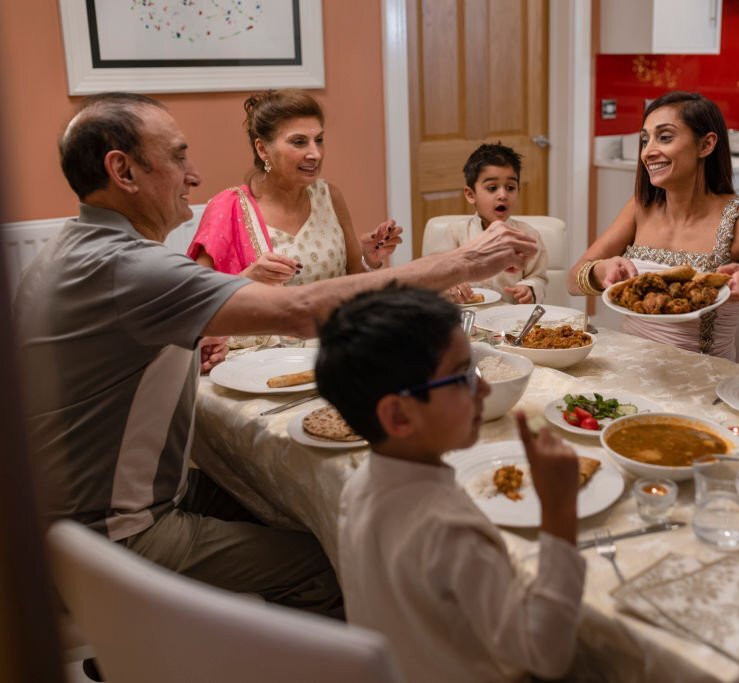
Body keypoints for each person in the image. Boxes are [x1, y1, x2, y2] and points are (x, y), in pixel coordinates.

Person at [15, 93, 537, 614]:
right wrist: (462, 261)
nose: (193, 175)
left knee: (288, 500)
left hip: (76, 515)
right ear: (122, 170)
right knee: (338, 555)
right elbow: (301, 308)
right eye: (177, 156)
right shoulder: (126, 268)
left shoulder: (73, 248)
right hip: (117, 535)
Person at [316, 286, 585, 682]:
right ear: (399, 416)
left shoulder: (358, 483)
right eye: (462, 376)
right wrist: (559, 510)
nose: (485, 388)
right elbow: (544, 653)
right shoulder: (449, 530)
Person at [568, 91, 739, 359]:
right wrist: (599, 271)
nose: (648, 152)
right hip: (631, 366)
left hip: (704, 381)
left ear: (706, 145)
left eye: (664, 137)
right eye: (645, 140)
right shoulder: (640, 207)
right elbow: (573, 280)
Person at [187, 89, 403, 285]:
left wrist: (370, 259)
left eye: (318, 140)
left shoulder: (329, 197)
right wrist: (248, 279)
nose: (315, 154)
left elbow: (354, 278)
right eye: (299, 142)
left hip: (333, 326)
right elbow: (200, 297)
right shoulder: (229, 208)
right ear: (263, 149)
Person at [423, 142, 549, 304]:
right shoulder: (456, 232)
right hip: (468, 316)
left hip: (510, 317)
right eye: (492, 188)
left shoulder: (528, 236)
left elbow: (537, 277)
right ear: (470, 194)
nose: (503, 195)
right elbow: (438, 272)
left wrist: (529, 288)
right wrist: (451, 284)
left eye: (510, 187)